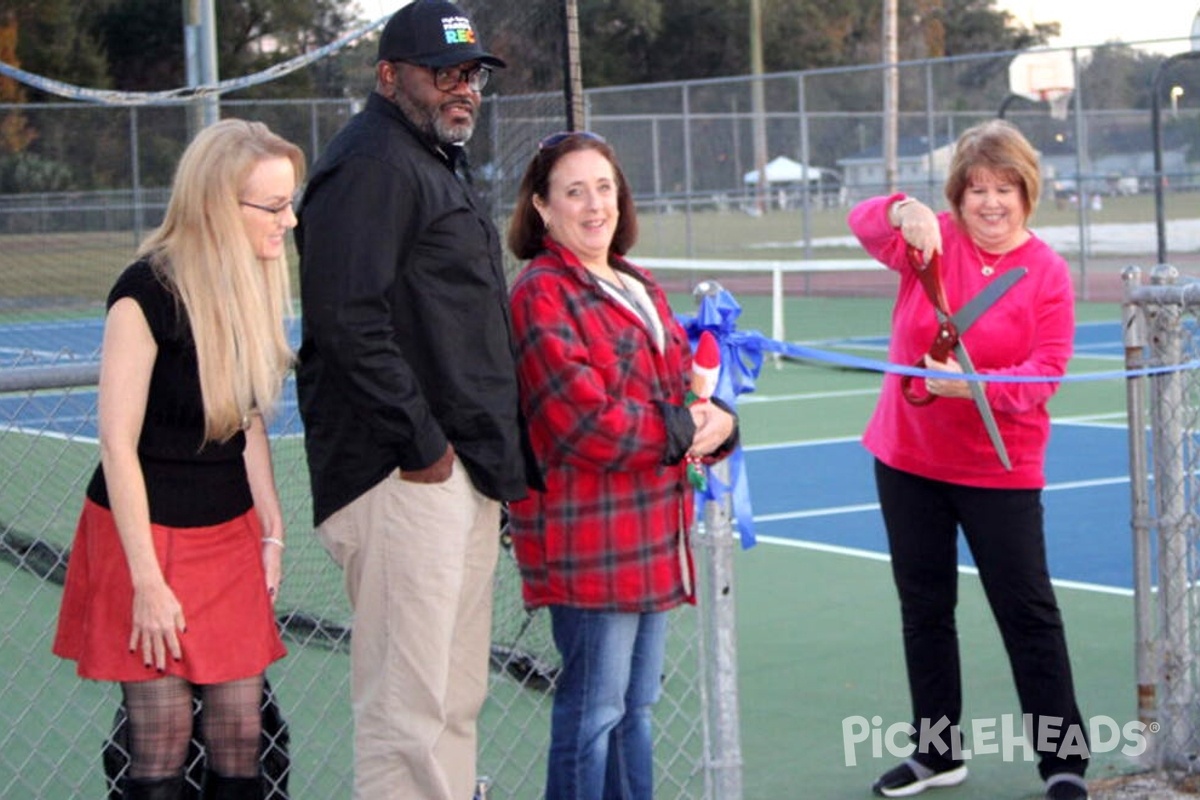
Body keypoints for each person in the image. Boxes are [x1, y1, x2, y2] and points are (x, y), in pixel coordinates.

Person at [293, 2, 539, 798]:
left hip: (457, 473)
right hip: (405, 479)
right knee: (410, 716)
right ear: (390, 75)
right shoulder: (372, 163)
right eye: (444, 73)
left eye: (470, 74)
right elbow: (345, 321)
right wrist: (422, 447)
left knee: (453, 702)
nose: (461, 88)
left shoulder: (430, 159)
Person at [52, 118, 303, 800]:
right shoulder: (144, 294)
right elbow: (117, 446)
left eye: (290, 201)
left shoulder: (250, 286)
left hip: (227, 535)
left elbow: (245, 423)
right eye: (274, 206)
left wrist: (272, 530)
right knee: (158, 739)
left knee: (242, 736)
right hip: (146, 538)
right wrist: (147, 583)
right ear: (221, 205)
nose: (289, 219)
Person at [847, 118, 1090, 800]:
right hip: (907, 460)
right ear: (957, 194)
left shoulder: (1045, 273)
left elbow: (1047, 373)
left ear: (1027, 193)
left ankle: (1063, 762)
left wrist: (977, 387)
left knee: (1028, 613)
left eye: (1004, 188)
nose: (989, 202)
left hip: (999, 470)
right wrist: (901, 207)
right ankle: (937, 752)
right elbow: (863, 223)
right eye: (976, 188)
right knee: (925, 610)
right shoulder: (931, 244)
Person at [505, 130, 737, 800]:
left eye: (603, 187)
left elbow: (676, 396)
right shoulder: (541, 293)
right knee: (594, 713)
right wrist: (686, 427)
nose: (593, 204)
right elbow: (583, 422)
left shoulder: (636, 281)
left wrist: (718, 423)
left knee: (634, 712)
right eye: (573, 191)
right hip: (590, 543)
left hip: (653, 535)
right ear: (543, 209)